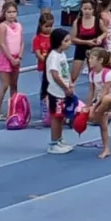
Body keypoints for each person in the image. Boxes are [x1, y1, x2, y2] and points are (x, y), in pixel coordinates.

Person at [85, 47, 111, 159]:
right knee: (103, 126)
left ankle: (98, 115)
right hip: (100, 100)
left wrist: (94, 109)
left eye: (92, 58)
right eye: (89, 58)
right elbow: (91, 91)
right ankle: (106, 149)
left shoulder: (108, 73)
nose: (89, 60)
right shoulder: (92, 74)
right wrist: (87, 106)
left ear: (100, 60)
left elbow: (104, 93)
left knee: (105, 100)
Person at [45, 27, 75, 155]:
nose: (69, 43)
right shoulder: (53, 56)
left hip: (63, 91)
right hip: (56, 92)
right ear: (59, 42)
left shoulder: (61, 55)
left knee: (61, 117)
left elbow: (65, 73)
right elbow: (55, 75)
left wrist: (70, 84)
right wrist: (65, 87)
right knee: (56, 118)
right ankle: (53, 143)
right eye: (66, 41)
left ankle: (59, 139)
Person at [0, 3, 23, 121]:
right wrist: (11, 58)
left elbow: (21, 42)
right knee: (4, 85)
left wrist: (19, 57)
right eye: (9, 12)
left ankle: (13, 109)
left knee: (14, 85)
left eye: (13, 12)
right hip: (6, 58)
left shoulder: (19, 25)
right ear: (4, 13)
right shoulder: (2, 26)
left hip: (16, 57)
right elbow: (2, 44)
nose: (11, 15)